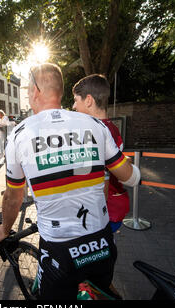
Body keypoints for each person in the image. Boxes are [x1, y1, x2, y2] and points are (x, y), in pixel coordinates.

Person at [0, 63, 141, 300]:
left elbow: (13, 197)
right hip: (100, 242)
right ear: (60, 91)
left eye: (29, 89)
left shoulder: (20, 134)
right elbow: (130, 177)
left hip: (60, 251)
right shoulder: (96, 126)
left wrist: (5, 230)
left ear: (36, 91)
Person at [72, 74, 131, 234]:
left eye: (76, 100)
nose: (74, 106)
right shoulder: (112, 127)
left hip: (99, 213)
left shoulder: (92, 132)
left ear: (89, 100)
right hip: (115, 206)